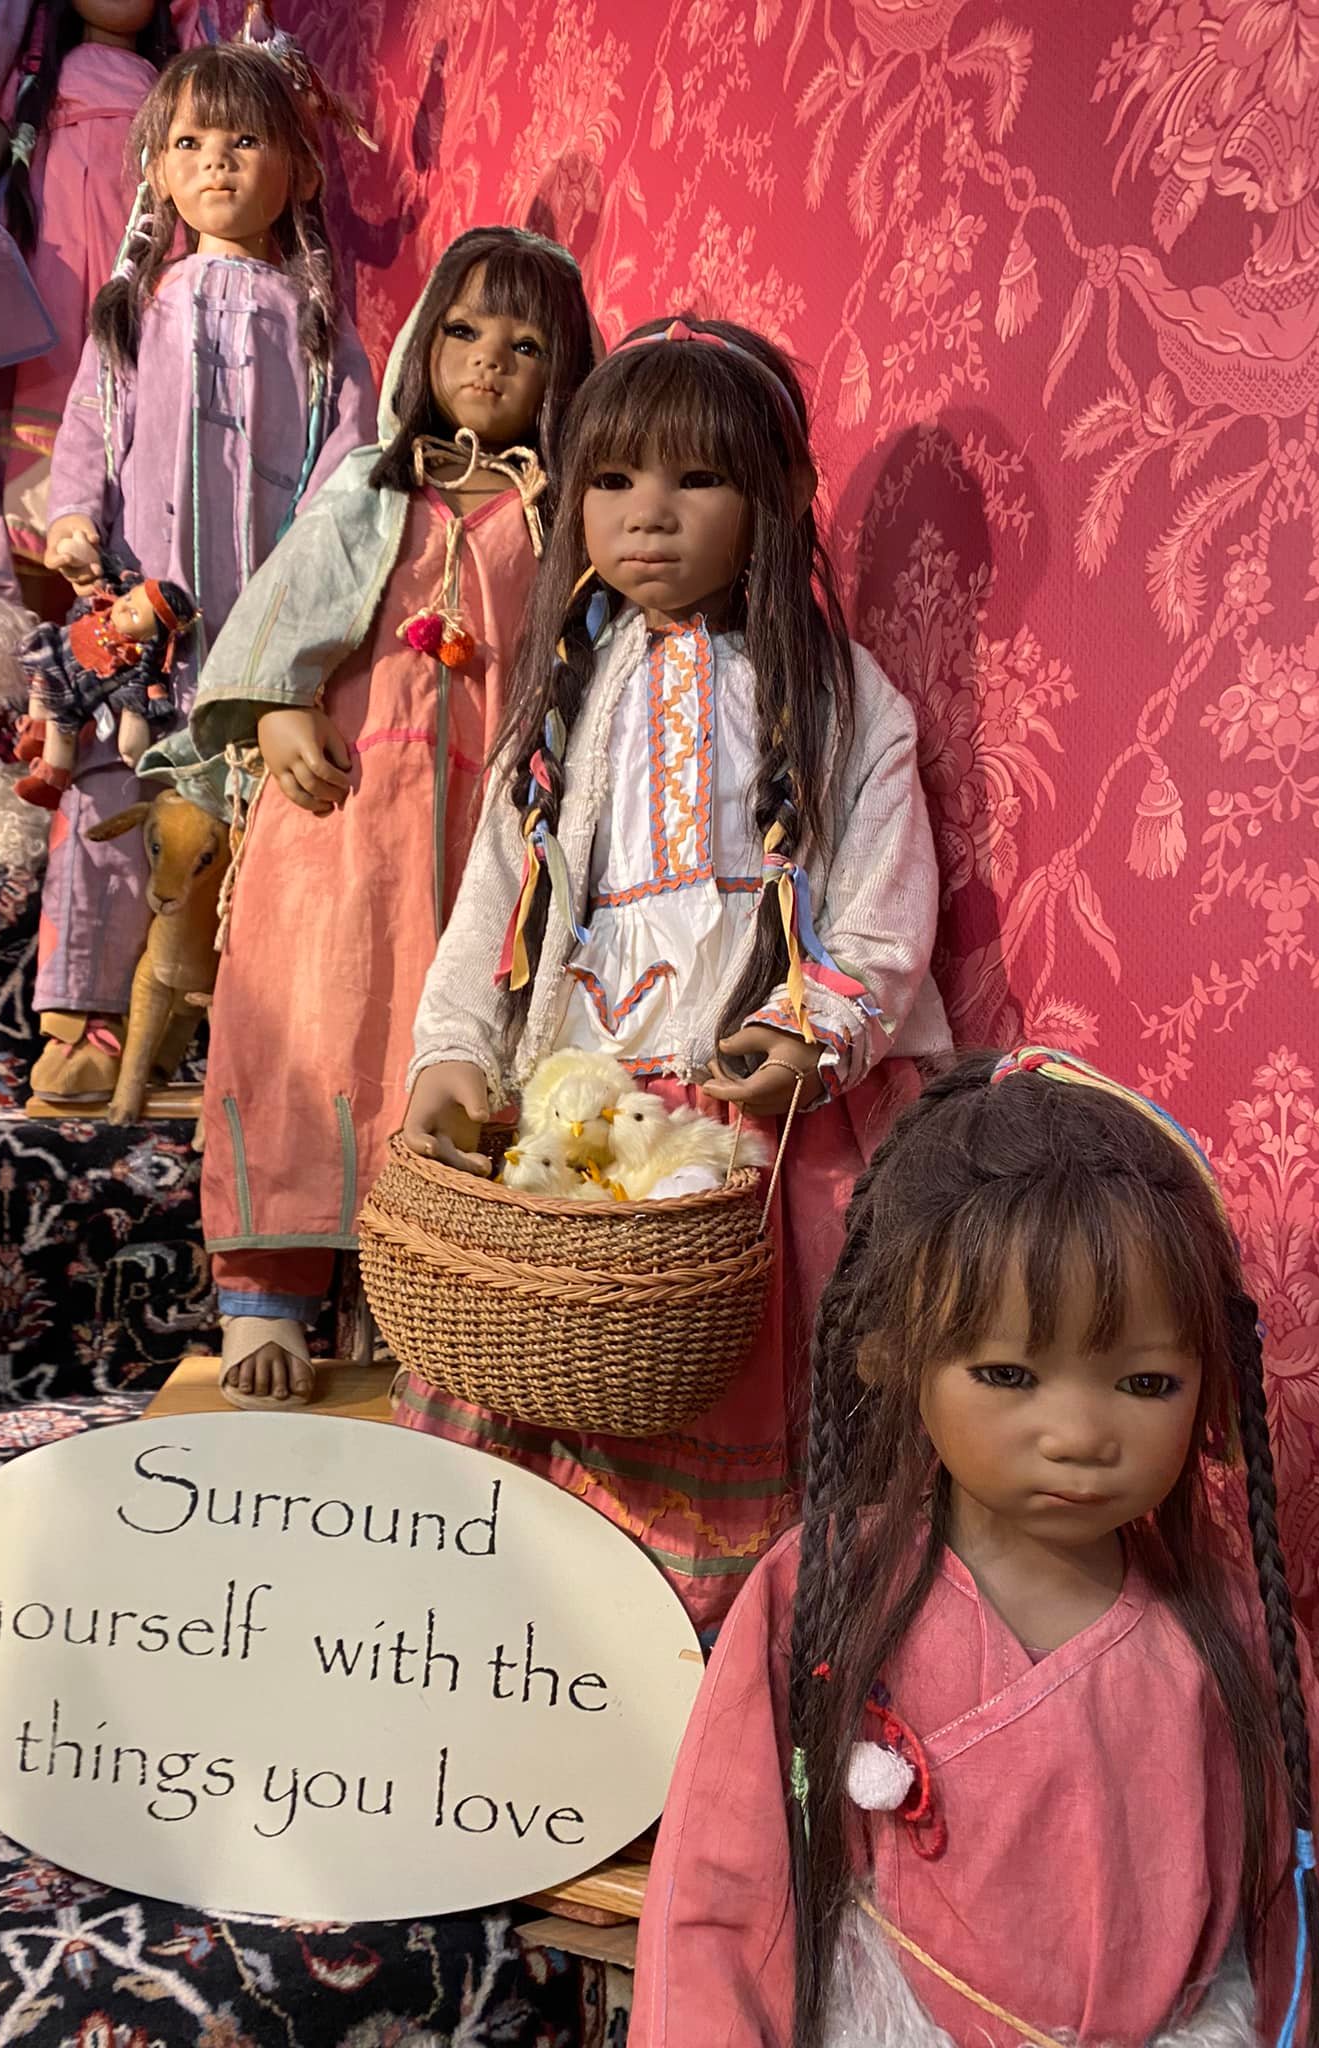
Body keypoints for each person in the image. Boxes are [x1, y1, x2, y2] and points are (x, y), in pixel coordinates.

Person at [401, 316, 951, 1633]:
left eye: (698, 478)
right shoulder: (565, 697)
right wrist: (453, 1051)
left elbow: (884, 903)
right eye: (613, 478)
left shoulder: (843, 697)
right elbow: (493, 902)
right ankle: (546, 1648)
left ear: (783, 494)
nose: (649, 513)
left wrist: (813, 1030)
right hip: (574, 1106)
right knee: (555, 1361)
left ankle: (715, 1660)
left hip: (757, 1126)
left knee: (736, 1372)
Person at [631, 1048, 1319, 2048]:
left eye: (1145, 1383)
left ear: (1210, 1380)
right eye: (1008, 1373)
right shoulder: (824, 1590)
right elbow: (719, 1899)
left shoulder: (1237, 1622)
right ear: (892, 1351)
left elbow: (1292, 1912)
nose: (1078, 1434)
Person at [155, 227, 600, 1405]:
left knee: (445, 1047)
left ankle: (425, 1296)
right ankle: (266, 1293)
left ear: (566, 372)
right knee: (307, 1034)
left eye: (525, 344)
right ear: (421, 346)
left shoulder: (561, 517)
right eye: (464, 330)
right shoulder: (371, 484)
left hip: (479, 835)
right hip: (339, 820)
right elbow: (284, 614)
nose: (489, 360)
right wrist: (275, 710)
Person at [28, 37, 376, 1105]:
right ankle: (85, 1021)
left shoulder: (319, 330)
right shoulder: (139, 309)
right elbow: (91, 423)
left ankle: (236, 1036)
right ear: (157, 171)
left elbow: (347, 469)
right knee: (109, 799)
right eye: (189, 142)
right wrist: (74, 515)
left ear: (298, 170)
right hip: (144, 611)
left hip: (257, 626)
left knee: (241, 820)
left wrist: (311, 607)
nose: (216, 160)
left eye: (244, 139)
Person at [0, 0, 208, 605]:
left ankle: (126, 575)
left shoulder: (169, 89)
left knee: (138, 395)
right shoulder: (39, 82)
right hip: (54, 273)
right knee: (50, 406)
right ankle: (37, 587)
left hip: (139, 266)